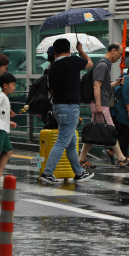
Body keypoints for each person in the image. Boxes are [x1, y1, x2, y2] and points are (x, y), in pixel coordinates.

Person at [40, 38, 94, 185]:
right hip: (70, 108)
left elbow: (52, 89)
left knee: (71, 142)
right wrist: (81, 50)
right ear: (69, 50)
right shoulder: (73, 61)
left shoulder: (52, 67)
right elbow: (90, 63)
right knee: (63, 141)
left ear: (55, 51)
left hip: (58, 107)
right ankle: (47, 172)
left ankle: (78, 173)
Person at [78, 43, 129, 168]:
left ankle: (81, 158)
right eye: (120, 54)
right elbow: (96, 86)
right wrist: (98, 105)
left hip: (100, 104)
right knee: (111, 130)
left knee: (93, 133)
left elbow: (103, 86)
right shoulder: (103, 65)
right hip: (101, 105)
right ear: (113, 51)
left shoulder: (104, 65)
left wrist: (116, 83)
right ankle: (121, 158)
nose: (120, 57)